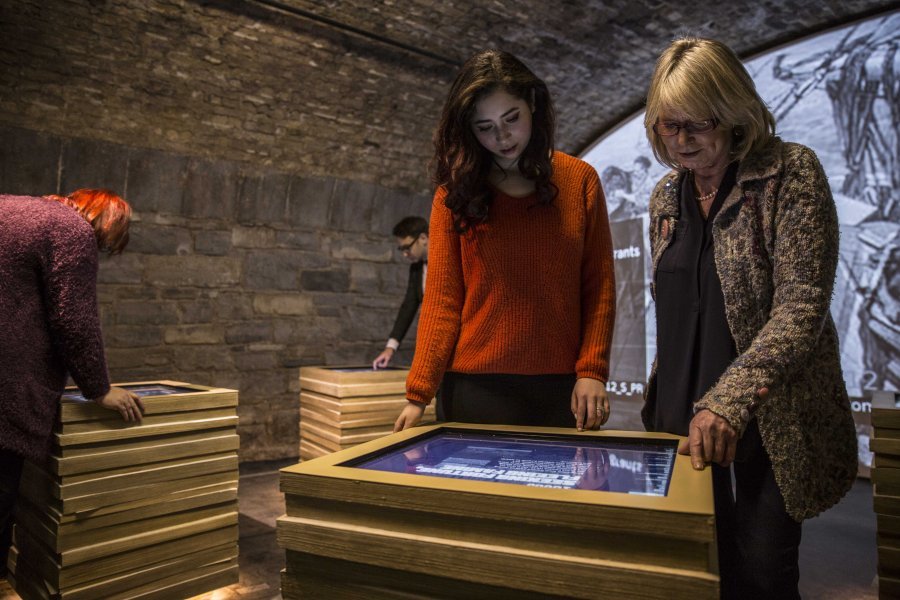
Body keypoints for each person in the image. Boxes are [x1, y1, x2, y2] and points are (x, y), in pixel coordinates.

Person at [640, 37, 857, 598]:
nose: (683, 141)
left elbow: (801, 306)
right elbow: (675, 306)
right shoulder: (666, 196)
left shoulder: (789, 173)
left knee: (763, 576)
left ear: (734, 113)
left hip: (769, 418)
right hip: (684, 420)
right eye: (669, 126)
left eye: (698, 124)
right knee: (696, 573)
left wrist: (728, 401)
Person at [393, 49, 616, 434]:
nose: (502, 136)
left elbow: (599, 287)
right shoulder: (455, 194)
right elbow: (443, 299)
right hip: (472, 387)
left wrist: (592, 370)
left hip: (561, 388)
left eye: (511, 118)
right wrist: (418, 394)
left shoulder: (580, 180)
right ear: (468, 129)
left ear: (532, 104)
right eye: (485, 126)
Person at [0, 189, 144, 578]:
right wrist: (99, 388)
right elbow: (73, 318)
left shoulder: (12, 210)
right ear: (107, 220)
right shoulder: (69, 229)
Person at [372, 216, 429, 370]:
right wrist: (390, 348)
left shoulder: (450, 260)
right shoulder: (416, 268)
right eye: (401, 249)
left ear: (423, 238)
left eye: (407, 247)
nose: (405, 254)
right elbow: (408, 306)